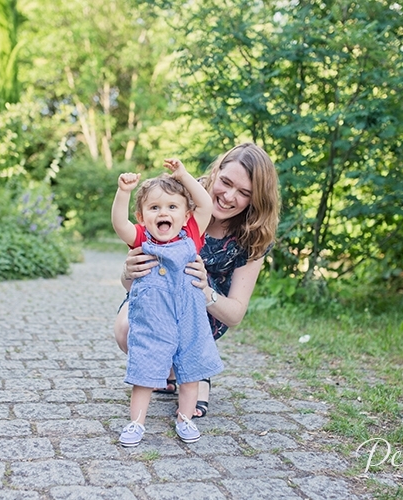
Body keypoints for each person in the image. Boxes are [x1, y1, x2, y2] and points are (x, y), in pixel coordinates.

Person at [115, 142, 280, 418]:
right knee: (126, 329)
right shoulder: (178, 196)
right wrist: (127, 271)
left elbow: (235, 313)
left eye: (244, 193)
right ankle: (166, 370)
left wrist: (205, 291)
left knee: (191, 330)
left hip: (206, 310)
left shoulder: (254, 235)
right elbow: (135, 283)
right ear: (216, 172)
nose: (228, 196)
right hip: (159, 297)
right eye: (226, 182)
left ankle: (196, 372)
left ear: (255, 199)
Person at [111, 158, 224, 447]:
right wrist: (123, 191)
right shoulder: (140, 238)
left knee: (191, 370)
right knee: (145, 370)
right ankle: (136, 423)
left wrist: (183, 175)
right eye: (155, 208)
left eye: (172, 207)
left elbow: (206, 205)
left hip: (189, 317)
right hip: (153, 319)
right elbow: (118, 223)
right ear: (143, 215)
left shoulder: (192, 235)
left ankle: (184, 418)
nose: (164, 213)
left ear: (186, 215)